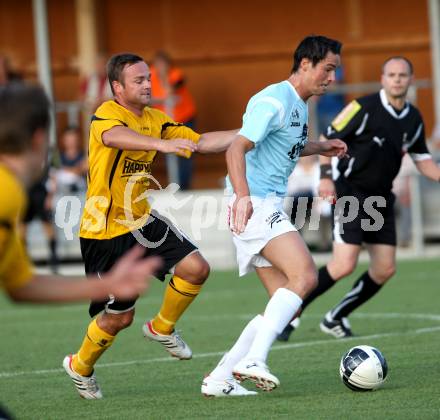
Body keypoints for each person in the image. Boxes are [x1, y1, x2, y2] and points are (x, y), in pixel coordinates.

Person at [63, 53, 237, 400]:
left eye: (148, 79)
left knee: (196, 268)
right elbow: (113, 138)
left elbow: (200, 142)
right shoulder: (107, 114)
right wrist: (161, 145)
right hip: (104, 232)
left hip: (141, 219)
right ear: (118, 87)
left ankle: (162, 327)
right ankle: (80, 365)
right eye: (139, 80)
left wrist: (250, 133)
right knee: (118, 319)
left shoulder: (157, 119)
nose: (147, 85)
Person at [0, 83, 161, 418]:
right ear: (40, 138)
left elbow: (19, 286)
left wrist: (105, 286)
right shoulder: (7, 193)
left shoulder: (12, 193)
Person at [201, 35, 347, 397]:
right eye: (328, 69)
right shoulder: (273, 100)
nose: (332, 78)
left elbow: (285, 145)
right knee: (306, 275)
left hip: (264, 204)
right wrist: (244, 197)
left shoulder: (297, 105)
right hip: (255, 204)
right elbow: (237, 148)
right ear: (305, 64)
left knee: (285, 304)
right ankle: (254, 361)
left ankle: (220, 378)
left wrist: (320, 147)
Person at [277, 56, 440, 342]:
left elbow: (422, 160)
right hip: (352, 191)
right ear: (382, 78)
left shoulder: (413, 117)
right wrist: (326, 177)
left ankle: (336, 316)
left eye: (403, 75)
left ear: (411, 80)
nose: (397, 79)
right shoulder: (363, 108)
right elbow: (328, 137)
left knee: (385, 268)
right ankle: (290, 314)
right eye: (392, 74)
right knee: (343, 264)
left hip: (381, 198)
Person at [150, 50, 197, 189]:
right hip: (165, 122)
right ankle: (174, 185)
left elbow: (172, 88)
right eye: (157, 64)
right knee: (168, 152)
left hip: (184, 118)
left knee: (186, 151)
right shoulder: (150, 75)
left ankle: (184, 187)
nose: (160, 67)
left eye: (163, 64)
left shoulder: (175, 74)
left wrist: (164, 77)